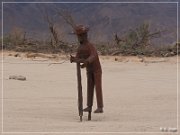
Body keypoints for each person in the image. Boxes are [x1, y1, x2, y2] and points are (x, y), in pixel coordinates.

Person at [70, 25, 104, 113]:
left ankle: (100, 107)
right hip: (89, 71)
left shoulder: (90, 46)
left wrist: (87, 62)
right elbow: (79, 58)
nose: (80, 37)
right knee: (89, 87)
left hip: (96, 70)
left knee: (98, 87)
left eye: (82, 35)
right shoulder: (80, 48)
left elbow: (94, 55)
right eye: (79, 36)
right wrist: (74, 59)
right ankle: (89, 106)